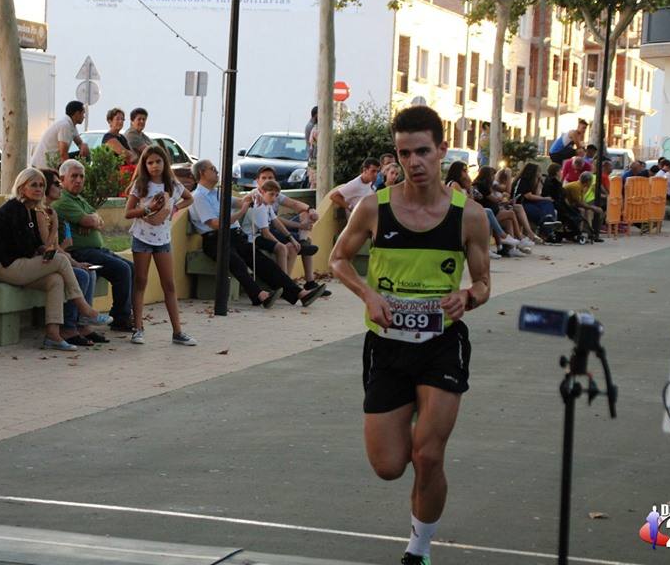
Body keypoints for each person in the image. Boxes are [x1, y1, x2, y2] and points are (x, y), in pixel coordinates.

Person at [330, 105, 490, 565]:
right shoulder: (374, 207)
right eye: (404, 153)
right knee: (388, 466)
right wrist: (368, 295)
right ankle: (415, 429)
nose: (414, 162)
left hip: (442, 345)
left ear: (442, 150)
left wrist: (469, 297)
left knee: (428, 456)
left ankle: (418, 548)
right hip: (387, 346)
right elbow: (338, 259)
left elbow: (483, 283)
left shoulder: (469, 216)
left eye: (423, 151)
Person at [0, 168, 104, 351]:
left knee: (55, 280)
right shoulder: (15, 209)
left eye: (41, 185)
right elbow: (24, 248)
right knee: (60, 261)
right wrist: (44, 252)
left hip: (19, 265)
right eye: (34, 185)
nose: (39, 189)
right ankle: (84, 308)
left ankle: (53, 335)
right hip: (2, 267)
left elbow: (40, 245)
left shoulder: (30, 210)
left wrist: (50, 232)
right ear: (22, 188)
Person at [188, 159, 326, 308]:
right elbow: (216, 224)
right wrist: (241, 212)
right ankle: (260, 296)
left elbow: (240, 202)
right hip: (215, 239)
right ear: (202, 173)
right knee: (237, 263)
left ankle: (300, 294)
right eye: (212, 168)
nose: (216, 171)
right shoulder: (198, 197)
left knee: (264, 263)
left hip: (235, 236)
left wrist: (254, 197)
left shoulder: (217, 193)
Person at [123, 145, 196, 346]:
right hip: (142, 238)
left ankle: (177, 331)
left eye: (158, 162)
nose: (154, 166)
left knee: (169, 284)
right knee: (141, 282)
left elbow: (189, 198)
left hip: (163, 239)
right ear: (144, 165)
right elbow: (128, 212)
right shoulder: (141, 184)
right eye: (150, 162)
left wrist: (174, 209)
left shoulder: (171, 183)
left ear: (165, 163)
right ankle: (138, 328)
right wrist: (147, 210)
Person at [53, 159, 135, 332]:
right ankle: (121, 318)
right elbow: (88, 219)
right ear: (62, 178)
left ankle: (123, 314)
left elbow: (98, 220)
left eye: (81, 176)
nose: (79, 180)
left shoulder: (78, 199)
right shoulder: (63, 200)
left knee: (131, 267)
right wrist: (88, 221)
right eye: (74, 176)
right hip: (81, 253)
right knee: (122, 269)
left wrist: (91, 221)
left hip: (96, 250)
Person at [41, 168, 112, 345]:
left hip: (52, 258)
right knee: (80, 274)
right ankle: (69, 327)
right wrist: (72, 260)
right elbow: (47, 247)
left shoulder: (51, 211)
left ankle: (84, 325)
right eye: (57, 184)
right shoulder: (41, 212)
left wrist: (77, 262)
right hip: (38, 261)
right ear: (46, 187)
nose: (60, 188)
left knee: (89, 271)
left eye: (82, 176)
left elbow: (55, 247)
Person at [251, 166, 328, 295]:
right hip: (261, 233)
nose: (266, 180)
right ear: (257, 181)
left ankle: (306, 280)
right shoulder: (257, 198)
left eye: (270, 178)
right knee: (289, 247)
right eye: (263, 178)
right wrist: (295, 231)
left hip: (273, 228)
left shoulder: (273, 195)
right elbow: (269, 228)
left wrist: (310, 209)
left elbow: (290, 207)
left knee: (305, 215)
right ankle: (288, 285)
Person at [30, 101, 89, 168]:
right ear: (77, 113)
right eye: (83, 114)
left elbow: (79, 142)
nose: (84, 117)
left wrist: (83, 145)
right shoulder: (65, 125)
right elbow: (63, 154)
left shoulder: (71, 125)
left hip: (52, 162)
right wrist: (68, 172)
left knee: (85, 155)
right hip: (43, 166)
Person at [511, 163, 556, 228]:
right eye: (539, 171)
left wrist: (539, 182)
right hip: (522, 203)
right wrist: (545, 198)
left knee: (548, 203)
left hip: (530, 202)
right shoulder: (524, 180)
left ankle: (549, 221)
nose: (540, 173)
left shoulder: (533, 181)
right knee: (540, 211)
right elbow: (528, 196)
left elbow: (538, 194)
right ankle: (547, 224)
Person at [563, 172, 605, 241]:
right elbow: (578, 203)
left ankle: (591, 233)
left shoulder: (581, 186)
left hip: (570, 205)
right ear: (588, 181)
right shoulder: (576, 186)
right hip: (565, 207)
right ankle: (579, 233)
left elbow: (581, 202)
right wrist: (593, 208)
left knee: (588, 211)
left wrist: (591, 208)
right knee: (583, 210)